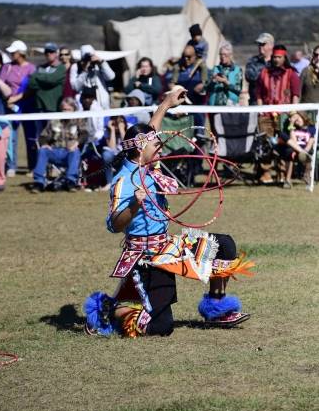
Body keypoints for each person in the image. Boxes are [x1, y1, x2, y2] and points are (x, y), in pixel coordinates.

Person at [83, 89, 253, 338]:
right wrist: (134, 206)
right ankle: (108, 311)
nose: (160, 147)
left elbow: (151, 129)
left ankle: (216, 308)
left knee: (224, 244)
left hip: (168, 244)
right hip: (145, 256)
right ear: (141, 149)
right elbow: (114, 224)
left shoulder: (150, 162)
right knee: (162, 327)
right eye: (156, 145)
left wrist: (165, 103)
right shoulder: (123, 182)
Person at [256, 45, 301, 184]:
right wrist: (260, 110)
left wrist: (293, 112)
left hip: (284, 115)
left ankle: (282, 173)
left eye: (279, 57)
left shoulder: (291, 73)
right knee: (265, 143)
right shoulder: (264, 73)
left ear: (284, 58)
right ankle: (266, 172)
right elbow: (259, 94)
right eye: (274, 57)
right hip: (266, 114)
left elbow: (295, 94)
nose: (276, 60)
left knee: (283, 143)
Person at [31, 97, 88, 193]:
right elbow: (43, 136)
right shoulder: (54, 120)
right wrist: (44, 143)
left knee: (75, 152)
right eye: (64, 109)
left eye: (69, 110)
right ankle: (39, 182)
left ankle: (71, 181)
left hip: (69, 152)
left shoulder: (79, 120)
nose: (66, 112)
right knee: (42, 151)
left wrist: (77, 143)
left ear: (74, 109)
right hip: (55, 151)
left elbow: (85, 134)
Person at [0, 40, 36, 176]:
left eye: (14, 52)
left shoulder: (31, 69)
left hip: (27, 106)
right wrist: (8, 100)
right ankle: (11, 165)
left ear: (21, 53)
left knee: (30, 137)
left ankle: (32, 166)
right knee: (11, 138)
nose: (11, 54)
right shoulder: (7, 67)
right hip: (10, 107)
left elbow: (32, 88)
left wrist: (17, 98)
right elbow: (1, 84)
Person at [28, 42, 66, 138]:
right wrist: (43, 79)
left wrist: (39, 78)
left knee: (54, 134)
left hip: (53, 107)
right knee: (40, 135)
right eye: (47, 52)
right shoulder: (40, 67)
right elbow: (32, 83)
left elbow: (52, 80)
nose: (49, 54)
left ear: (56, 53)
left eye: (51, 52)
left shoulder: (61, 68)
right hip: (39, 107)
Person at [277, 112, 315, 189]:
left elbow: (310, 143)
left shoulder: (311, 128)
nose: (297, 122)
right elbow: (293, 141)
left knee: (307, 154)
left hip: (306, 151)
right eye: (295, 121)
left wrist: (305, 151)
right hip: (294, 149)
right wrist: (291, 124)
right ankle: (287, 181)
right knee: (289, 151)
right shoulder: (293, 128)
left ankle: (306, 175)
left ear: (303, 116)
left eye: (297, 119)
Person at [70, 44, 115, 109]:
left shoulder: (99, 65)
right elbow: (76, 87)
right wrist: (84, 71)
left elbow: (111, 77)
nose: (89, 60)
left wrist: (102, 63)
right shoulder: (76, 67)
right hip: (84, 104)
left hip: (102, 103)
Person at [208, 41, 243, 106]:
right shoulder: (215, 69)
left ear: (230, 55)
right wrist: (213, 81)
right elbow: (206, 89)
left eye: (225, 54)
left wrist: (226, 82)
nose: (222, 57)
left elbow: (238, 90)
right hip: (214, 107)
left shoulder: (237, 70)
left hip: (230, 107)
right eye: (221, 54)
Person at [245, 32, 274, 105]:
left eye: (263, 44)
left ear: (271, 45)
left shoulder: (277, 62)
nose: (260, 47)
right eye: (259, 44)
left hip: (273, 104)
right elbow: (250, 76)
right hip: (255, 102)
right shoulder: (252, 61)